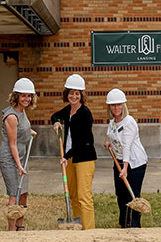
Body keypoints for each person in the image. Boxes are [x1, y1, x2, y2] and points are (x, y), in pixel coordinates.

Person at [51, 74, 97, 230]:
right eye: (71, 93)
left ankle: (89, 230)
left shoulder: (85, 114)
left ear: (82, 95)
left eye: (77, 93)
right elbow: (54, 115)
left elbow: (84, 142)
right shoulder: (69, 110)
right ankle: (78, 226)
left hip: (84, 158)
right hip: (69, 158)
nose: (74, 96)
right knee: (74, 195)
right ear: (67, 94)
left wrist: (66, 156)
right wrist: (56, 122)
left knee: (84, 196)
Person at [103, 88, 148, 228]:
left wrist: (126, 167)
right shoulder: (112, 122)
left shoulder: (129, 122)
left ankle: (134, 225)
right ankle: (124, 224)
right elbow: (110, 133)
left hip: (134, 163)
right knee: (120, 195)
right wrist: (107, 141)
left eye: (119, 104)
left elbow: (127, 146)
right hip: (119, 161)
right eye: (113, 105)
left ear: (123, 105)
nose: (116, 108)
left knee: (131, 195)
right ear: (109, 107)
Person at [0, 77, 37, 231]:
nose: (27, 99)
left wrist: (29, 132)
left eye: (29, 96)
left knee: (24, 193)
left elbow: (22, 130)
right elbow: (12, 143)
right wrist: (19, 165)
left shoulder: (22, 111)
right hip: (10, 158)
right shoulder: (11, 116)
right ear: (16, 96)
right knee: (14, 194)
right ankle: (11, 229)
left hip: (21, 157)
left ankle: (20, 226)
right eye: (23, 96)